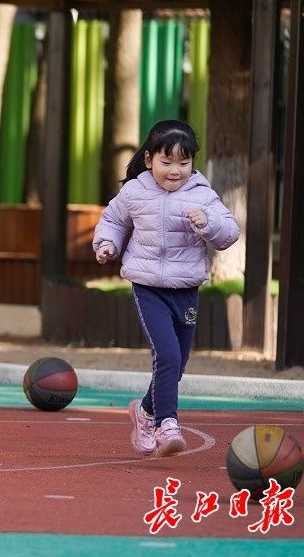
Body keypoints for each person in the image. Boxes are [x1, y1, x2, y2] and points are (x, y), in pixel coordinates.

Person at [93, 119, 239, 458]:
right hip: (148, 287)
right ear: (149, 160)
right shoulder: (135, 191)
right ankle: (166, 423)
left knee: (178, 362)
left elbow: (229, 232)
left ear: (192, 163)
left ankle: (144, 411)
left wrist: (209, 224)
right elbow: (113, 221)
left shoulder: (202, 194)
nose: (175, 171)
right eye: (167, 162)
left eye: (184, 163)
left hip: (185, 288)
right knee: (168, 354)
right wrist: (106, 244)